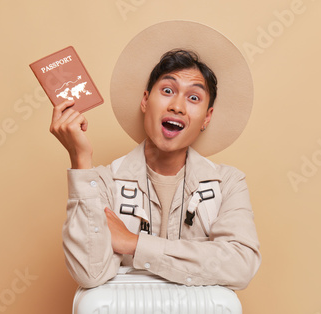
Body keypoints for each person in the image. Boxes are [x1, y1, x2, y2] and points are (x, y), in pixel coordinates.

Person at [50, 21, 261, 289]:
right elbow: (89, 273)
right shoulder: (102, 184)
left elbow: (240, 266)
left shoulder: (228, 183)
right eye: (168, 91)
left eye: (194, 98)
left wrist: (132, 242)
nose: (177, 106)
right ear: (145, 101)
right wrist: (80, 161)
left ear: (207, 117)